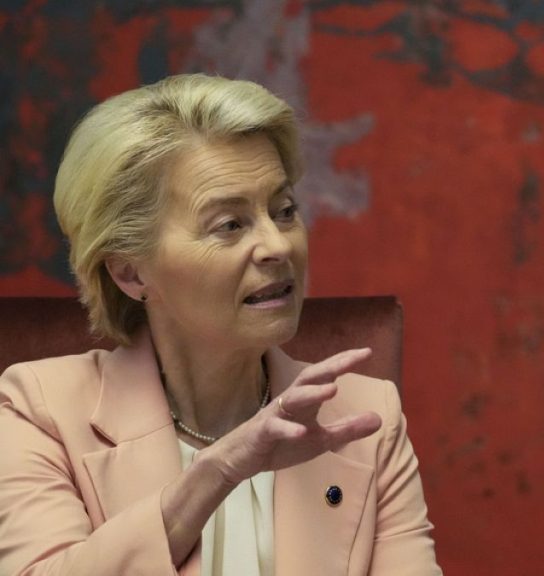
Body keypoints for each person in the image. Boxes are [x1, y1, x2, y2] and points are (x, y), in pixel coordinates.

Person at [0, 74, 441, 575]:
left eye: (284, 211)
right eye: (229, 225)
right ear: (130, 272)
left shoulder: (366, 417)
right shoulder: (40, 410)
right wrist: (221, 469)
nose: (278, 246)